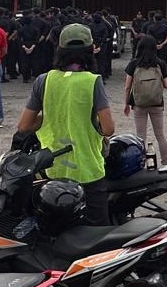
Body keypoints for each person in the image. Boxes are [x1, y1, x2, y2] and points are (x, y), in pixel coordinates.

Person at [17, 23, 115, 226]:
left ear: (59, 50)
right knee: (97, 230)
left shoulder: (44, 80)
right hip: (87, 170)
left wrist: (53, 115)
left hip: (51, 170)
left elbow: (24, 126)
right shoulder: (92, 81)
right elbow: (108, 129)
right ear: (90, 51)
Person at [122, 35, 167, 168]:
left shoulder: (133, 64)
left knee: (140, 136)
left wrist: (126, 104)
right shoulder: (160, 63)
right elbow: (166, 84)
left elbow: (127, 87)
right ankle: (165, 163)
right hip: (157, 103)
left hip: (139, 104)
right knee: (160, 134)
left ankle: (141, 164)